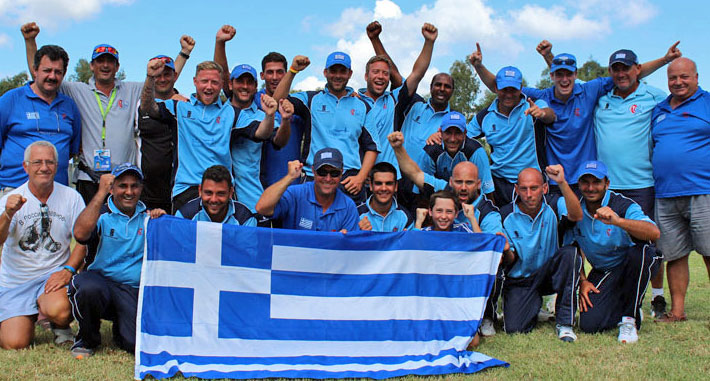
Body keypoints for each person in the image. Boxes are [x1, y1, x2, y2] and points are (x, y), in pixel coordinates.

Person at [470, 40, 681, 194]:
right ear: (551, 76)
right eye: (559, 74)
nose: (564, 79)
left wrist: (665, 60)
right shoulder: (542, 96)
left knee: (587, 237)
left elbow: (627, 75)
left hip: (585, 180)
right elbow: (502, 89)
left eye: (568, 74)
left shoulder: (590, 91)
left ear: (575, 74)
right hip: (553, 181)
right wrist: (478, 66)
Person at [21, 23, 190, 204]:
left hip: (123, 180)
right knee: (88, 231)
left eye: (110, 61)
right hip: (89, 178)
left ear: (117, 67)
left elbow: (163, 78)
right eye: (100, 61)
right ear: (92, 65)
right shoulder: (77, 90)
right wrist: (30, 41)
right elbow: (40, 73)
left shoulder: (132, 89)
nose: (105, 65)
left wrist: (184, 54)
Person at [388, 130, 505, 335]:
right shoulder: (444, 195)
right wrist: (398, 147)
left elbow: (497, 249)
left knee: (494, 263)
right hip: (443, 270)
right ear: (450, 182)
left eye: (469, 183)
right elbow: (415, 173)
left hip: (469, 270)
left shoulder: (487, 212)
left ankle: (485, 314)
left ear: (478, 184)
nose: (462, 187)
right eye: (458, 182)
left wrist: (472, 219)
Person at [140, 59, 276, 212]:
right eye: (204, 81)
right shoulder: (179, 107)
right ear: (195, 82)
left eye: (215, 82)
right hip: (187, 189)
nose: (209, 87)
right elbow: (148, 108)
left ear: (221, 84)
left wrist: (270, 115)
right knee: (186, 236)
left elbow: (260, 132)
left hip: (221, 190)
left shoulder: (231, 112)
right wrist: (150, 77)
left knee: (221, 236)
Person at [592, 49, 669, 318]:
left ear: (638, 68)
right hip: (604, 187)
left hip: (641, 184)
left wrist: (665, 61)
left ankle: (657, 298)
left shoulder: (653, 96)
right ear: (610, 71)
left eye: (627, 68)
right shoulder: (600, 99)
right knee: (606, 242)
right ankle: (616, 294)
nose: (621, 73)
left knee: (646, 244)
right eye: (616, 68)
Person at [69, 163, 166, 358]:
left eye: (134, 186)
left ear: (141, 188)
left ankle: (120, 331)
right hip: (101, 282)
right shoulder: (101, 214)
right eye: (122, 186)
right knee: (88, 288)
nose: (129, 192)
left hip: (131, 289)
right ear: (112, 188)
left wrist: (162, 221)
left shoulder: (148, 218)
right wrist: (100, 193)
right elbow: (79, 233)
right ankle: (87, 338)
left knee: (132, 343)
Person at [0, 141, 86, 349]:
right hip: (16, 281)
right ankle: (25, 316)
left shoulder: (72, 197)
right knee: (14, 343)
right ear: (25, 166)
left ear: (57, 166)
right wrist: (8, 214)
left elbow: (84, 241)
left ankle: (59, 324)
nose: (44, 167)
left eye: (50, 162)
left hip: (51, 277)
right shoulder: (10, 199)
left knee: (61, 310)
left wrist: (68, 270)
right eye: (37, 162)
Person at [569, 161, 661, 343]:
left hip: (632, 265)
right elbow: (571, 248)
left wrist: (618, 221)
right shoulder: (575, 210)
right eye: (585, 182)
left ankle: (629, 319)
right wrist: (583, 280)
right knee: (589, 324)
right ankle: (628, 306)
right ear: (578, 185)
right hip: (604, 270)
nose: (590, 188)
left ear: (607, 183)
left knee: (642, 252)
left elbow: (654, 232)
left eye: (596, 182)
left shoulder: (622, 204)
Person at [272, 52, 378, 204]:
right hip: (313, 177)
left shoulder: (363, 106)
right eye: (333, 70)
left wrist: (361, 177)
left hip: (349, 181)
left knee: (350, 228)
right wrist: (293, 71)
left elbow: (372, 146)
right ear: (325, 72)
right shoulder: (311, 100)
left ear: (350, 74)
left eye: (342, 71)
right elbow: (277, 100)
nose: (337, 75)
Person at [651, 57, 710, 322]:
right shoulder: (659, 109)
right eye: (673, 78)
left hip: (703, 189)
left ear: (696, 77)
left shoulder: (707, 102)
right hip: (665, 194)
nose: (678, 82)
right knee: (674, 254)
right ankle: (677, 311)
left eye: (684, 77)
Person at [213, 25, 293, 212]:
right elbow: (220, 71)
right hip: (216, 198)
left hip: (250, 200)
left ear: (256, 85)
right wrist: (220, 43)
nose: (245, 86)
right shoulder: (218, 111)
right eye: (240, 81)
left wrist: (283, 119)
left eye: (250, 82)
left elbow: (277, 140)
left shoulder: (261, 113)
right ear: (230, 84)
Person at [499, 165, 583, 341]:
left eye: (534, 188)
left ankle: (565, 324)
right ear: (516, 189)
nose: (529, 194)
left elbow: (576, 215)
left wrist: (562, 182)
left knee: (569, 253)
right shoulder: (505, 214)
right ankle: (533, 306)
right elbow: (510, 258)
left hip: (549, 273)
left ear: (544, 188)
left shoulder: (554, 203)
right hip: (520, 280)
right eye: (523, 188)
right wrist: (506, 249)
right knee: (515, 329)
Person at [466, 63, 556, 205]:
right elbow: (463, 138)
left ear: (521, 88)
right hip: (498, 184)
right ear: (496, 88)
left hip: (532, 183)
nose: (508, 94)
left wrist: (542, 113)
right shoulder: (485, 116)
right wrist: (440, 135)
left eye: (513, 89)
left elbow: (551, 116)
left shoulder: (533, 105)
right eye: (504, 89)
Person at [359, 21, 437, 179]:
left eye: (385, 73)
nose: (381, 77)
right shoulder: (354, 102)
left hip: (390, 178)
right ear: (366, 76)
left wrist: (429, 42)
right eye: (376, 72)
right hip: (360, 177)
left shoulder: (394, 101)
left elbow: (417, 74)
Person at [0, 45, 80, 195]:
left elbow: (71, 149)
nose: (52, 76)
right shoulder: (10, 100)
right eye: (47, 70)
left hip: (57, 193)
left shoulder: (69, 106)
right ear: (35, 70)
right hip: (14, 190)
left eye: (58, 72)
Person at [137, 36, 195, 212]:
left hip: (180, 188)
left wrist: (184, 53)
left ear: (175, 76)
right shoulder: (139, 104)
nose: (162, 79)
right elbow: (149, 105)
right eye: (158, 75)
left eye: (167, 74)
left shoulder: (185, 104)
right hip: (148, 190)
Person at [255, 148, 358, 232]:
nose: (328, 178)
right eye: (322, 172)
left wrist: (344, 241)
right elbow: (262, 208)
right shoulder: (296, 194)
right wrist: (289, 177)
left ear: (341, 173)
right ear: (313, 171)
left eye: (334, 173)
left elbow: (351, 249)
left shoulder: (348, 206)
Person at [420, 111, 494, 199]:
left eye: (458, 133)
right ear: (440, 131)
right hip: (439, 199)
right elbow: (422, 188)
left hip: (469, 200)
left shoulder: (476, 151)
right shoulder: (431, 150)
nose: (452, 139)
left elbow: (487, 192)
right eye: (448, 132)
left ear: (465, 133)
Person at [175, 165, 256, 226]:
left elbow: (248, 248)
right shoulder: (184, 215)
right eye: (208, 193)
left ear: (231, 192)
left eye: (220, 194)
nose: (214, 199)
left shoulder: (244, 218)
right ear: (200, 190)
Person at [357, 162, 413, 232]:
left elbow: (410, 242)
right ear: (371, 186)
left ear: (396, 186)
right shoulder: (357, 214)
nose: (383, 188)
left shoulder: (405, 216)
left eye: (389, 183)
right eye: (378, 183)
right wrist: (358, 233)